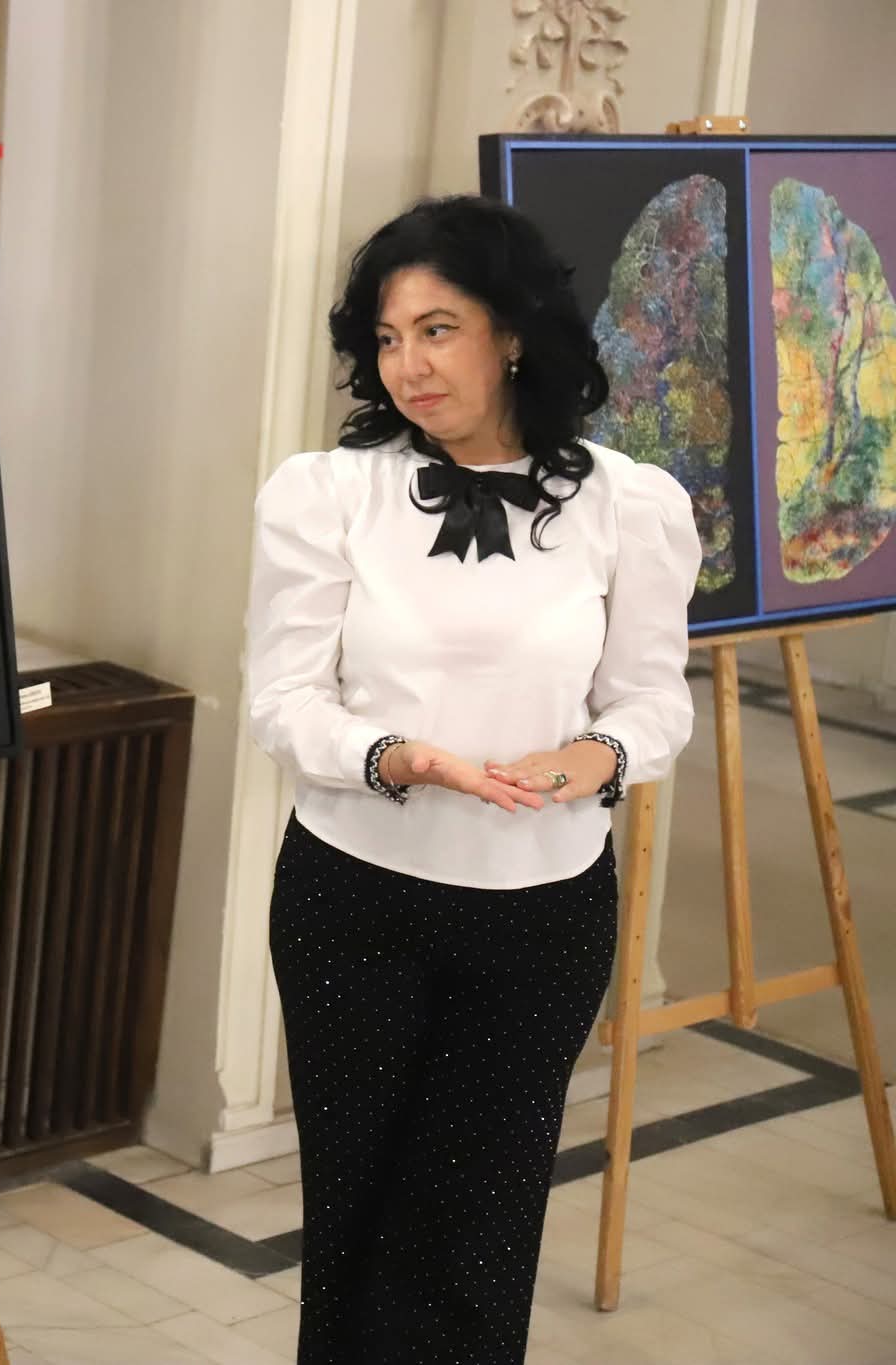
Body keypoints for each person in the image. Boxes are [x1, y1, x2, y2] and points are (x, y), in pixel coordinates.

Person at [245, 195, 701, 1364]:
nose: (407, 365)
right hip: (352, 902)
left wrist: (589, 761)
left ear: (509, 332)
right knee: (354, 1220)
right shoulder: (326, 495)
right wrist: (396, 760)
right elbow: (281, 700)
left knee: (477, 1233)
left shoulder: (627, 505)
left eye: (436, 330)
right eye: (387, 338)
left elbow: (653, 703)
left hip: (541, 916)